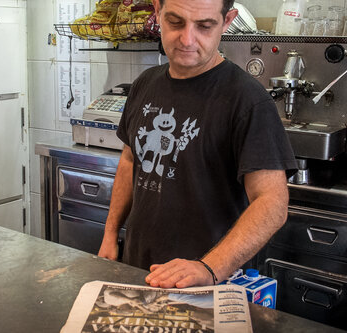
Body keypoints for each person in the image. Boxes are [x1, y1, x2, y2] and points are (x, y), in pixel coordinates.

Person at [97, 0, 297, 289]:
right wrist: (110, 233)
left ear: (227, 22)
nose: (187, 39)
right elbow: (130, 161)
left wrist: (209, 268)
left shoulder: (248, 101)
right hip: (138, 271)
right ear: (157, 11)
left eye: (204, 26)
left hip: (208, 285)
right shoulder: (145, 84)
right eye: (175, 22)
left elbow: (272, 203)